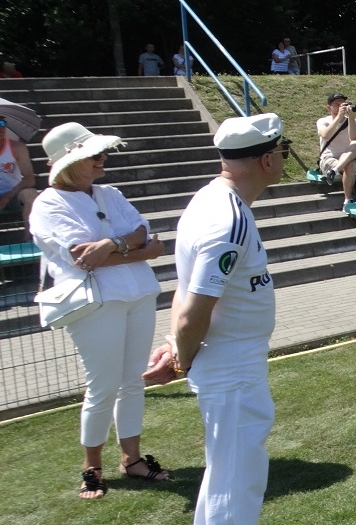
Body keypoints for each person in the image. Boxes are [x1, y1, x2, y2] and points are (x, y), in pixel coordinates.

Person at [142, 113, 288, 524]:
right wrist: (180, 358)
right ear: (266, 160)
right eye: (282, 150)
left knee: (225, 474)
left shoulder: (210, 201)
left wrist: (175, 348)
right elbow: (193, 312)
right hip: (232, 368)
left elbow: (186, 290)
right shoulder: (229, 220)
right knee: (237, 482)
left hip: (230, 364)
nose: (284, 158)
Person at [29, 122, 170, 500]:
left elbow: (143, 234)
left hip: (138, 294)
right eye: (93, 155)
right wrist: (133, 248)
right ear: (66, 163)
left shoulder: (111, 193)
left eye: (101, 153)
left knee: (132, 381)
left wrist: (110, 244)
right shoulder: (48, 204)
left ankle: (132, 459)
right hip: (94, 304)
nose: (102, 159)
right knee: (103, 386)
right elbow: (83, 257)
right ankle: (91, 467)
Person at [317, 93, 356, 211]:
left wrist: (351, 118)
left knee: (355, 145)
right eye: (337, 104)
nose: (341, 106)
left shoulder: (354, 122)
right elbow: (325, 135)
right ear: (329, 107)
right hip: (329, 158)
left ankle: (347, 198)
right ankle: (348, 198)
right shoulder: (323, 121)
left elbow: (353, 138)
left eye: (343, 104)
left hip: (349, 156)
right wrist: (339, 117)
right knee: (349, 166)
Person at [0, 120, 38, 223]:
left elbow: (30, 179)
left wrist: (7, 197)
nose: (1, 127)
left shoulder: (17, 147)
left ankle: (29, 233)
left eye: (2, 123)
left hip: (13, 194)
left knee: (30, 194)